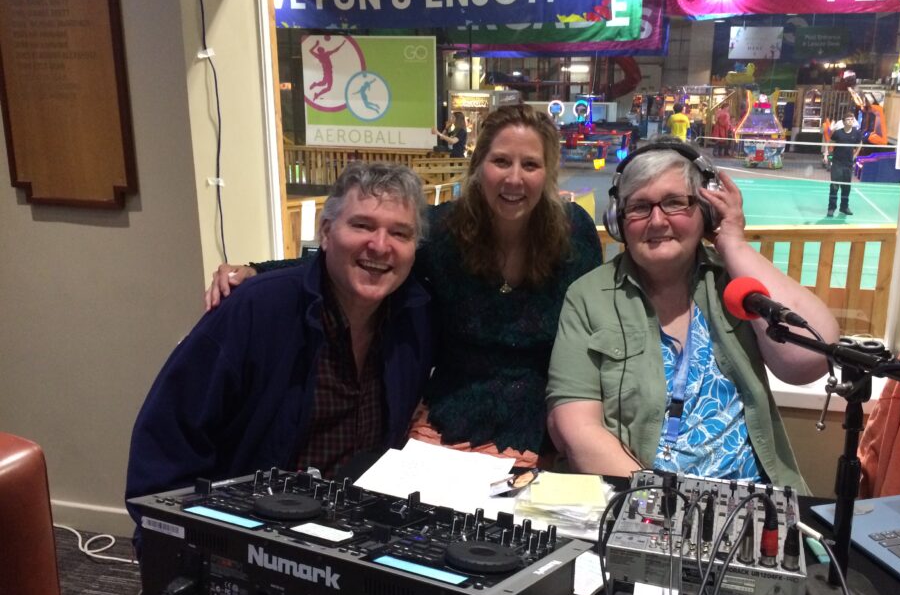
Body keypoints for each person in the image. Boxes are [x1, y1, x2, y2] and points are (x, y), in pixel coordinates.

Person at [205, 105, 603, 468]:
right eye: (501, 161)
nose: (514, 178)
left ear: (547, 172)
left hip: (543, 423)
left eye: (530, 164)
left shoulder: (575, 235)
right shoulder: (446, 230)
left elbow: (593, 323)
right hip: (449, 417)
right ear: (479, 166)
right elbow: (368, 256)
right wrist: (258, 270)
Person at [126, 162, 433, 544]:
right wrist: (175, 542)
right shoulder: (255, 309)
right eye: (362, 225)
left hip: (349, 542)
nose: (380, 245)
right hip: (243, 537)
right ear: (325, 232)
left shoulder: (415, 319)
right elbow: (166, 440)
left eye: (399, 233)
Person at [546, 140, 839, 488]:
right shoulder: (588, 297)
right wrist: (658, 504)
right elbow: (577, 428)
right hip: (643, 504)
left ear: (706, 211)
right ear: (618, 221)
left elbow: (811, 358)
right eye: (639, 207)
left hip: (755, 503)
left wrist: (734, 243)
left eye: (674, 203)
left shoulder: (736, 281)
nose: (657, 221)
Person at [828, 111, 861, 217]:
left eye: (852, 119)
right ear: (843, 121)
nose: (850, 121)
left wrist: (855, 155)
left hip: (848, 164)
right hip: (837, 163)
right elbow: (830, 143)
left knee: (846, 187)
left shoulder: (856, 133)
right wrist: (828, 154)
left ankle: (844, 207)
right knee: (834, 186)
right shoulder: (838, 133)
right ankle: (831, 208)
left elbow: (859, 143)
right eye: (848, 119)